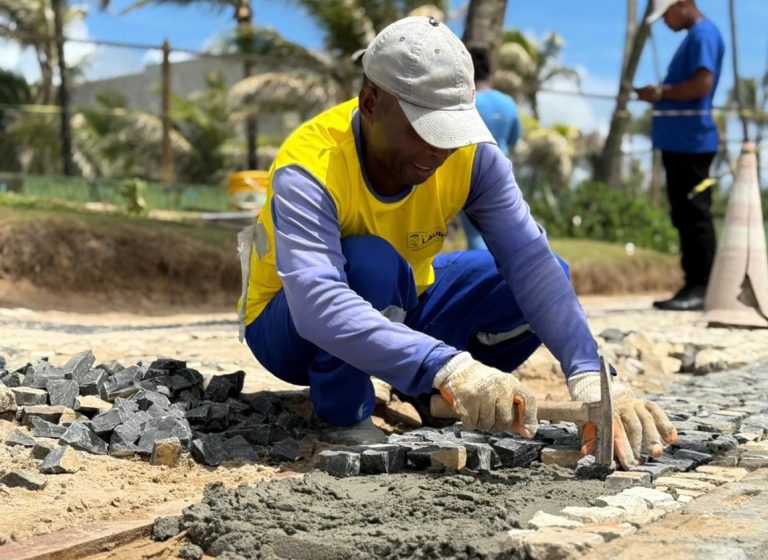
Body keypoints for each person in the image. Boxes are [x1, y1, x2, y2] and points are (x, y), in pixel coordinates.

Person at [238, 16, 676, 468]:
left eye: (449, 131)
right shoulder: (310, 166)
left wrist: (591, 375)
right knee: (371, 262)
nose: (438, 150)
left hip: (403, 302)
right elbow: (317, 303)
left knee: (537, 278)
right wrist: (449, 363)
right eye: (424, 129)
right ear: (370, 103)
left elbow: (529, 260)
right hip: (289, 329)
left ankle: (434, 395)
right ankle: (344, 413)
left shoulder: (472, 156)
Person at [636, 0, 725, 311]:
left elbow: (702, 84)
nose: (665, 23)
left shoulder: (703, 35)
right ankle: (695, 283)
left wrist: (660, 93)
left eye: (666, 15)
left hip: (691, 143)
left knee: (694, 215)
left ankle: (702, 286)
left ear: (683, 5)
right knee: (684, 215)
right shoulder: (696, 36)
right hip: (681, 143)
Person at [459, 47, 521, 251]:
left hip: (470, 174)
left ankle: (481, 278)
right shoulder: (508, 103)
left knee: (476, 235)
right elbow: (513, 139)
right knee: (504, 234)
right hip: (503, 173)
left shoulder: (467, 102)